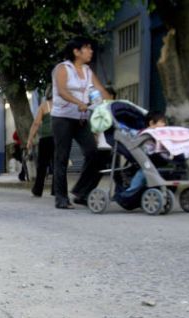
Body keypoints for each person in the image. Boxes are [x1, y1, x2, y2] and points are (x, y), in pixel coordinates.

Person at [50, 37, 112, 209]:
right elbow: (62, 91)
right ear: (76, 52)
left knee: (94, 153)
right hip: (62, 118)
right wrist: (79, 102)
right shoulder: (62, 68)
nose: (91, 51)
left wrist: (113, 104)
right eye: (87, 48)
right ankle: (61, 198)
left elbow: (100, 90)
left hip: (81, 119)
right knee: (62, 157)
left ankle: (82, 192)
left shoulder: (87, 70)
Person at [114, 111, 168, 206]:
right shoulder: (143, 134)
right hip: (145, 157)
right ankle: (128, 193)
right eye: (162, 122)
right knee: (143, 172)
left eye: (165, 123)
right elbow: (132, 137)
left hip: (156, 158)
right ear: (151, 123)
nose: (164, 125)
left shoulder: (160, 134)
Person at [26, 86, 55, 197]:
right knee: (58, 164)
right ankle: (57, 190)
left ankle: (38, 190)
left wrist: (30, 139)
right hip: (59, 138)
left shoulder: (44, 106)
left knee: (42, 165)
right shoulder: (61, 106)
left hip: (46, 138)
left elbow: (36, 123)